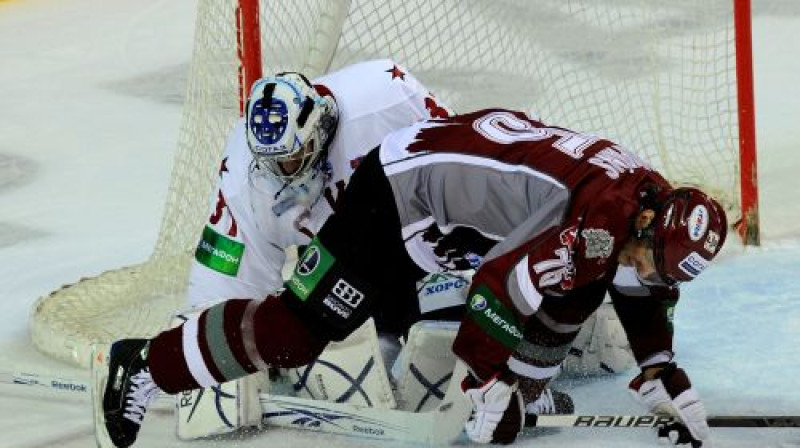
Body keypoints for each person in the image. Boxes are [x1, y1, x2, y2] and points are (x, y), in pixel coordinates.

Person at [99, 108, 727, 447]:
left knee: (579, 289)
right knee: (297, 333)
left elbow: (638, 288)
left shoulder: (646, 206)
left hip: (449, 210)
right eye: (650, 258)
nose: (647, 271)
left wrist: (662, 368)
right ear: (647, 222)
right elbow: (499, 288)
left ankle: (524, 393)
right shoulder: (601, 225)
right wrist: (486, 383)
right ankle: (145, 366)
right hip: (395, 193)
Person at [180, 61, 571, 431]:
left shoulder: (384, 95)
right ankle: (383, 344)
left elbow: (461, 165)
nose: (284, 173)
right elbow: (227, 271)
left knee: (446, 342)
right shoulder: (243, 175)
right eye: (275, 163)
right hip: (342, 260)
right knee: (327, 348)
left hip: (424, 239)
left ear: (316, 130)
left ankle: (522, 383)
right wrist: (208, 355)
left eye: (295, 158)